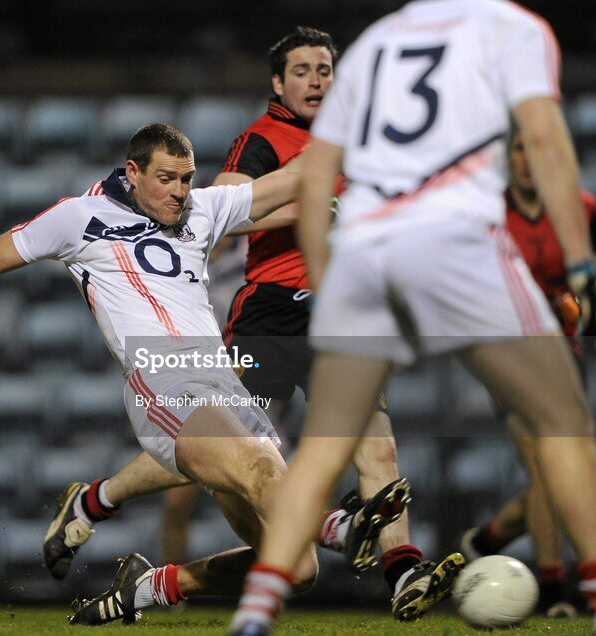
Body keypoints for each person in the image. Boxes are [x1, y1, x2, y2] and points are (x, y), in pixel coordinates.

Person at [230, 2, 596, 635]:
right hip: (453, 238)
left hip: (364, 249)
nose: (314, 76)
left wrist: (334, 292)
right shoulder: (513, 27)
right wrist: (582, 261)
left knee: (325, 448)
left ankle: (255, 613)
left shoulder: (373, 44)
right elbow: (547, 139)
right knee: (564, 420)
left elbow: (317, 185)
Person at [0, 123, 414, 626]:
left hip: (226, 385)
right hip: (164, 381)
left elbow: (292, 180)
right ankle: (338, 527)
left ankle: (149, 587)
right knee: (263, 474)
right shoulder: (80, 216)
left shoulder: (201, 209)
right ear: (132, 173)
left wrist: (375, 135)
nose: (179, 191)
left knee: (295, 567)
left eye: (186, 178)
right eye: (166, 178)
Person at [213, 25, 462, 620]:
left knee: (378, 449)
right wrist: (314, 202)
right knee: (222, 448)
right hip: (270, 310)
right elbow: (222, 212)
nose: (316, 80)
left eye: (324, 69)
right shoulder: (262, 138)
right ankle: (106, 508)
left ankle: (403, 576)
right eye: (301, 70)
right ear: (278, 82)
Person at [461, 128, 596, 618]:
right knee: (542, 459)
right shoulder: (487, 213)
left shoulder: (581, 208)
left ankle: (490, 537)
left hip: (562, 353)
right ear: (507, 157)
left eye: (538, 148)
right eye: (519, 148)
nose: (529, 159)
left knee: (556, 470)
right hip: (506, 350)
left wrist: (586, 302)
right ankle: (554, 593)